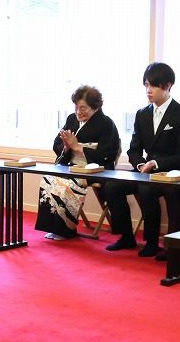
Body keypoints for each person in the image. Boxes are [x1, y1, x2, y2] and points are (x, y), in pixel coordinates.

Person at [102, 62, 180, 258]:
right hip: (146, 171)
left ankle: (153, 242)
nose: (148, 90)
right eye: (146, 85)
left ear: (168, 85)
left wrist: (156, 164)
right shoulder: (142, 114)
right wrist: (140, 164)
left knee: (146, 188)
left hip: (173, 173)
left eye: (153, 85)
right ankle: (126, 236)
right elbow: (134, 149)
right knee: (111, 186)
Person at [34, 85, 121, 240]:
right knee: (49, 179)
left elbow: (107, 154)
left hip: (95, 169)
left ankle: (66, 230)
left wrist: (77, 147)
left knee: (67, 184)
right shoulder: (71, 120)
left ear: (96, 107)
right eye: (76, 107)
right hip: (71, 167)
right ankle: (54, 227)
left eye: (83, 108)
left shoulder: (106, 124)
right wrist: (67, 147)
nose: (79, 112)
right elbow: (57, 143)